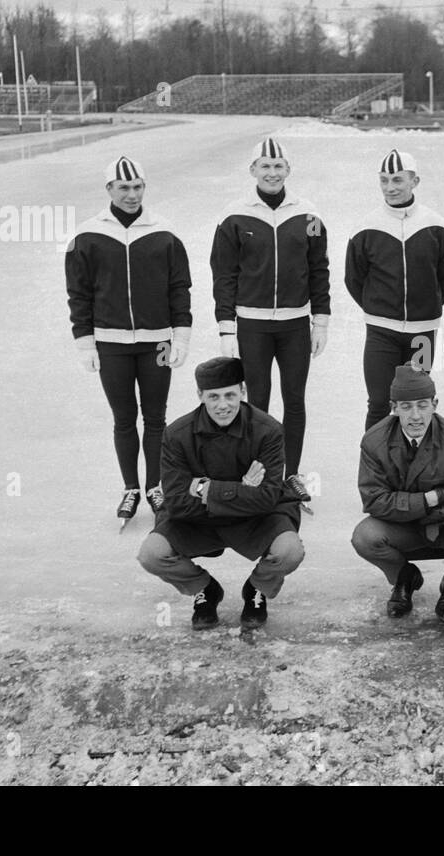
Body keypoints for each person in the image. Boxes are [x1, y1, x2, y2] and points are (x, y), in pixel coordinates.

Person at [136, 357, 305, 634]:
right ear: (200, 395)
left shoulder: (268, 430)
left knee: (289, 551)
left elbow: (267, 498)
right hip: (198, 519)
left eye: (230, 395)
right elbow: (177, 502)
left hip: (256, 518)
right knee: (151, 555)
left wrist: (204, 488)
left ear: (243, 391)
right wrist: (242, 489)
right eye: (213, 396)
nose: (223, 404)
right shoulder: (177, 434)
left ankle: (257, 588)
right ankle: (205, 589)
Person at [65, 156, 192, 524]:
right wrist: (84, 342)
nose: (132, 195)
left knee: (156, 419)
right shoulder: (87, 235)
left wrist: (180, 336)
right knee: (124, 419)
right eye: (124, 188)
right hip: (110, 342)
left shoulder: (164, 232)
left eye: (138, 187)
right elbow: (79, 293)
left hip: (156, 342)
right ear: (109, 189)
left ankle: (155, 486)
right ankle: (130, 488)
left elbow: (179, 288)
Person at [211, 138, 330, 505]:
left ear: (288, 170)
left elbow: (318, 269)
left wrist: (320, 319)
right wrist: (226, 325)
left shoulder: (308, 215)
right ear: (253, 171)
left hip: (295, 324)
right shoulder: (234, 216)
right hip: (252, 325)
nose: (272, 173)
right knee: (257, 403)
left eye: (278, 166)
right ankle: (260, 473)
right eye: (265, 166)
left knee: (294, 400)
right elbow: (224, 274)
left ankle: (291, 474)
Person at [351, 364, 444, 621]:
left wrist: (415, 512)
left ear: (435, 404)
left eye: (423, 405)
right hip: (404, 527)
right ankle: (404, 577)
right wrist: (430, 499)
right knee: (365, 536)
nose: (416, 416)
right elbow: (374, 499)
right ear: (394, 407)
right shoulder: (374, 441)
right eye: (406, 406)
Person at [345, 150, 444, 430]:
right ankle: (375, 470)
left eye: (397, 179)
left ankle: (417, 467)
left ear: (414, 181)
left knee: (417, 401)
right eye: (384, 180)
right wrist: (379, 307)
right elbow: (354, 279)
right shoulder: (366, 227)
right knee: (379, 402)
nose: (390, 187)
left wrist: (428, 304)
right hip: (381, 331)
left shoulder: (436, 226)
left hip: (423, 330)